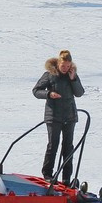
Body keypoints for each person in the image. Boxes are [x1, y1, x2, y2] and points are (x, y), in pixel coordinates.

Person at [32, 49, 85, 186]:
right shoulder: (50, 75)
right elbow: (36, 91)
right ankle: (47, 174)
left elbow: (79, 93)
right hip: (53, 116)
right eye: (63, 66)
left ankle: (66, 177)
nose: (65, 68)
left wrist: (73, 79)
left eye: (68, 66)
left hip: (69, 116)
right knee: (53, 145)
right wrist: (49, 94)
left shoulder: (72, 75)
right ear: (58, 63)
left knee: (68, 147)